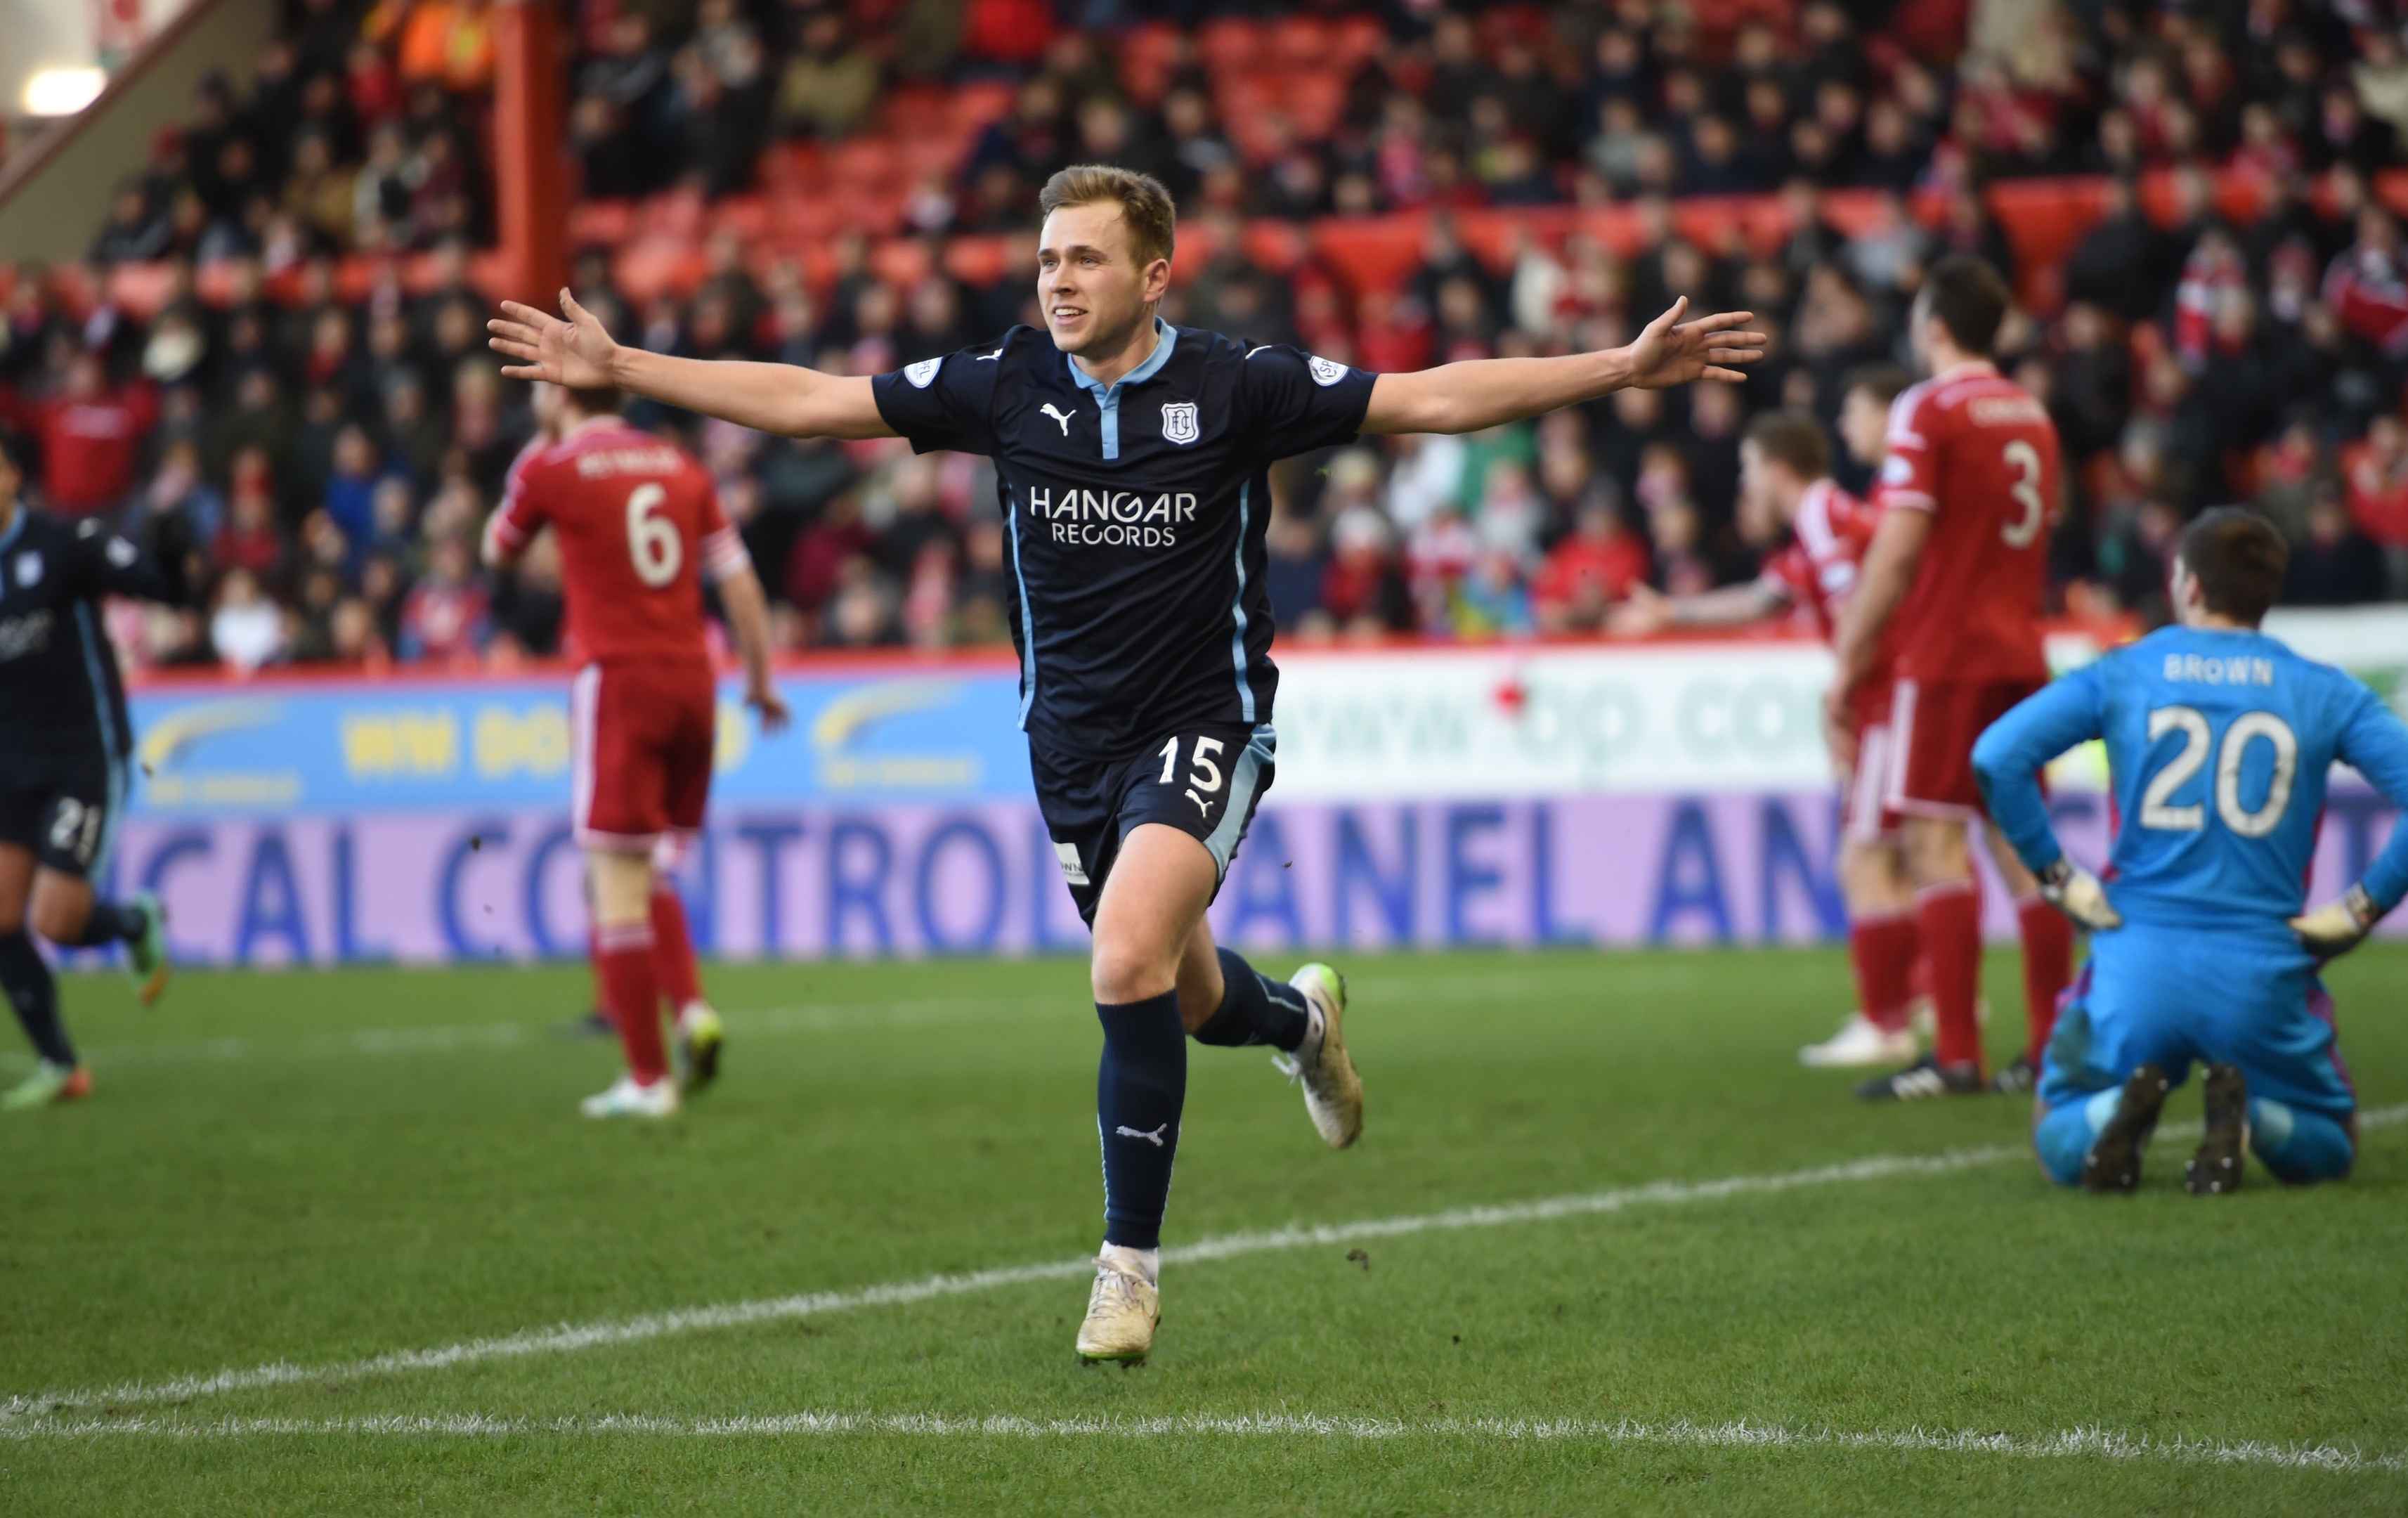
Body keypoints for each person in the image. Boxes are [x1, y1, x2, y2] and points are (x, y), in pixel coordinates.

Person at [488, 163, 1764, 1363]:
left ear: (1156, 275)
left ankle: (1127, 1266)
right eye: (1047, 259)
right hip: (1071, 750)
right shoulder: (1004, 386)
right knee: (1188, 994)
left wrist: (1616, 369)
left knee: (1120, 959)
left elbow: (1425, 394)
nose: (1057, 280)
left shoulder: (1238, 386)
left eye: (1086, 259)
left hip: (1206, 724)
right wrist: (626, 367)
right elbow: (817, 407)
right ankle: (1303, 1024)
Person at [1973, 509, 2408, 1193]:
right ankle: (2254, 1119)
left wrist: (2057, 876)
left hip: (2134, 958)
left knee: (2052, 1133)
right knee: (2332, 1148)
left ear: (2191, 586)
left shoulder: (2126, 670)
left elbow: (1997, 756)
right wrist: (2360, 906)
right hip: (2263, 968)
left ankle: (2118, 1107)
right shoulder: (2324, 690)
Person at [481, 384, 788, 1118]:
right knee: (649, 869)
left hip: (618, 681)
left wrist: (538, 444)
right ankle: (689, 1009)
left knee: (611, 883)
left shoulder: (550, 466)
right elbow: (738, 579)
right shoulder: (680, 466)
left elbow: (496, 550)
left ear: (559, 397)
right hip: (693, 684)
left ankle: (649, 1081)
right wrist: (759, 678)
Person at [1613, 396, 1923, 1069]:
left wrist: (1838, 689)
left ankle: (1888, 1021)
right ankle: (1910, 1001)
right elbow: (1760, 598)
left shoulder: (1821, 517)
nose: (1744, 485)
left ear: (1774, 467)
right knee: (1893, 857)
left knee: (1865, 858)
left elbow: (1855, 612)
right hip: (1889, 695)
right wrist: (1672, 612)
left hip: (1884, 699)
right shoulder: (1823, 521)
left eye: (1749, 468)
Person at [1830, 254, 2073, 1101]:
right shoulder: (2030, 411)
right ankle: (2048, 1046)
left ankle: (1958, 1054)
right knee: (2019, 845)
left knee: (1933, 839)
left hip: (1943, 655)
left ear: (1933, 325)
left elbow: (1897, 547)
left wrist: (1849, 660)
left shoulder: (1926, 408)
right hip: (2020, 650)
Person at [0, 430, 178, 1109]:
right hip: (8, 760)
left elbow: (140, 579)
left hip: (80, 754)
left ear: (15, 475)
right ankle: (59, 1064)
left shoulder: (61, 547)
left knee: (57, 921)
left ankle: (134, 924)